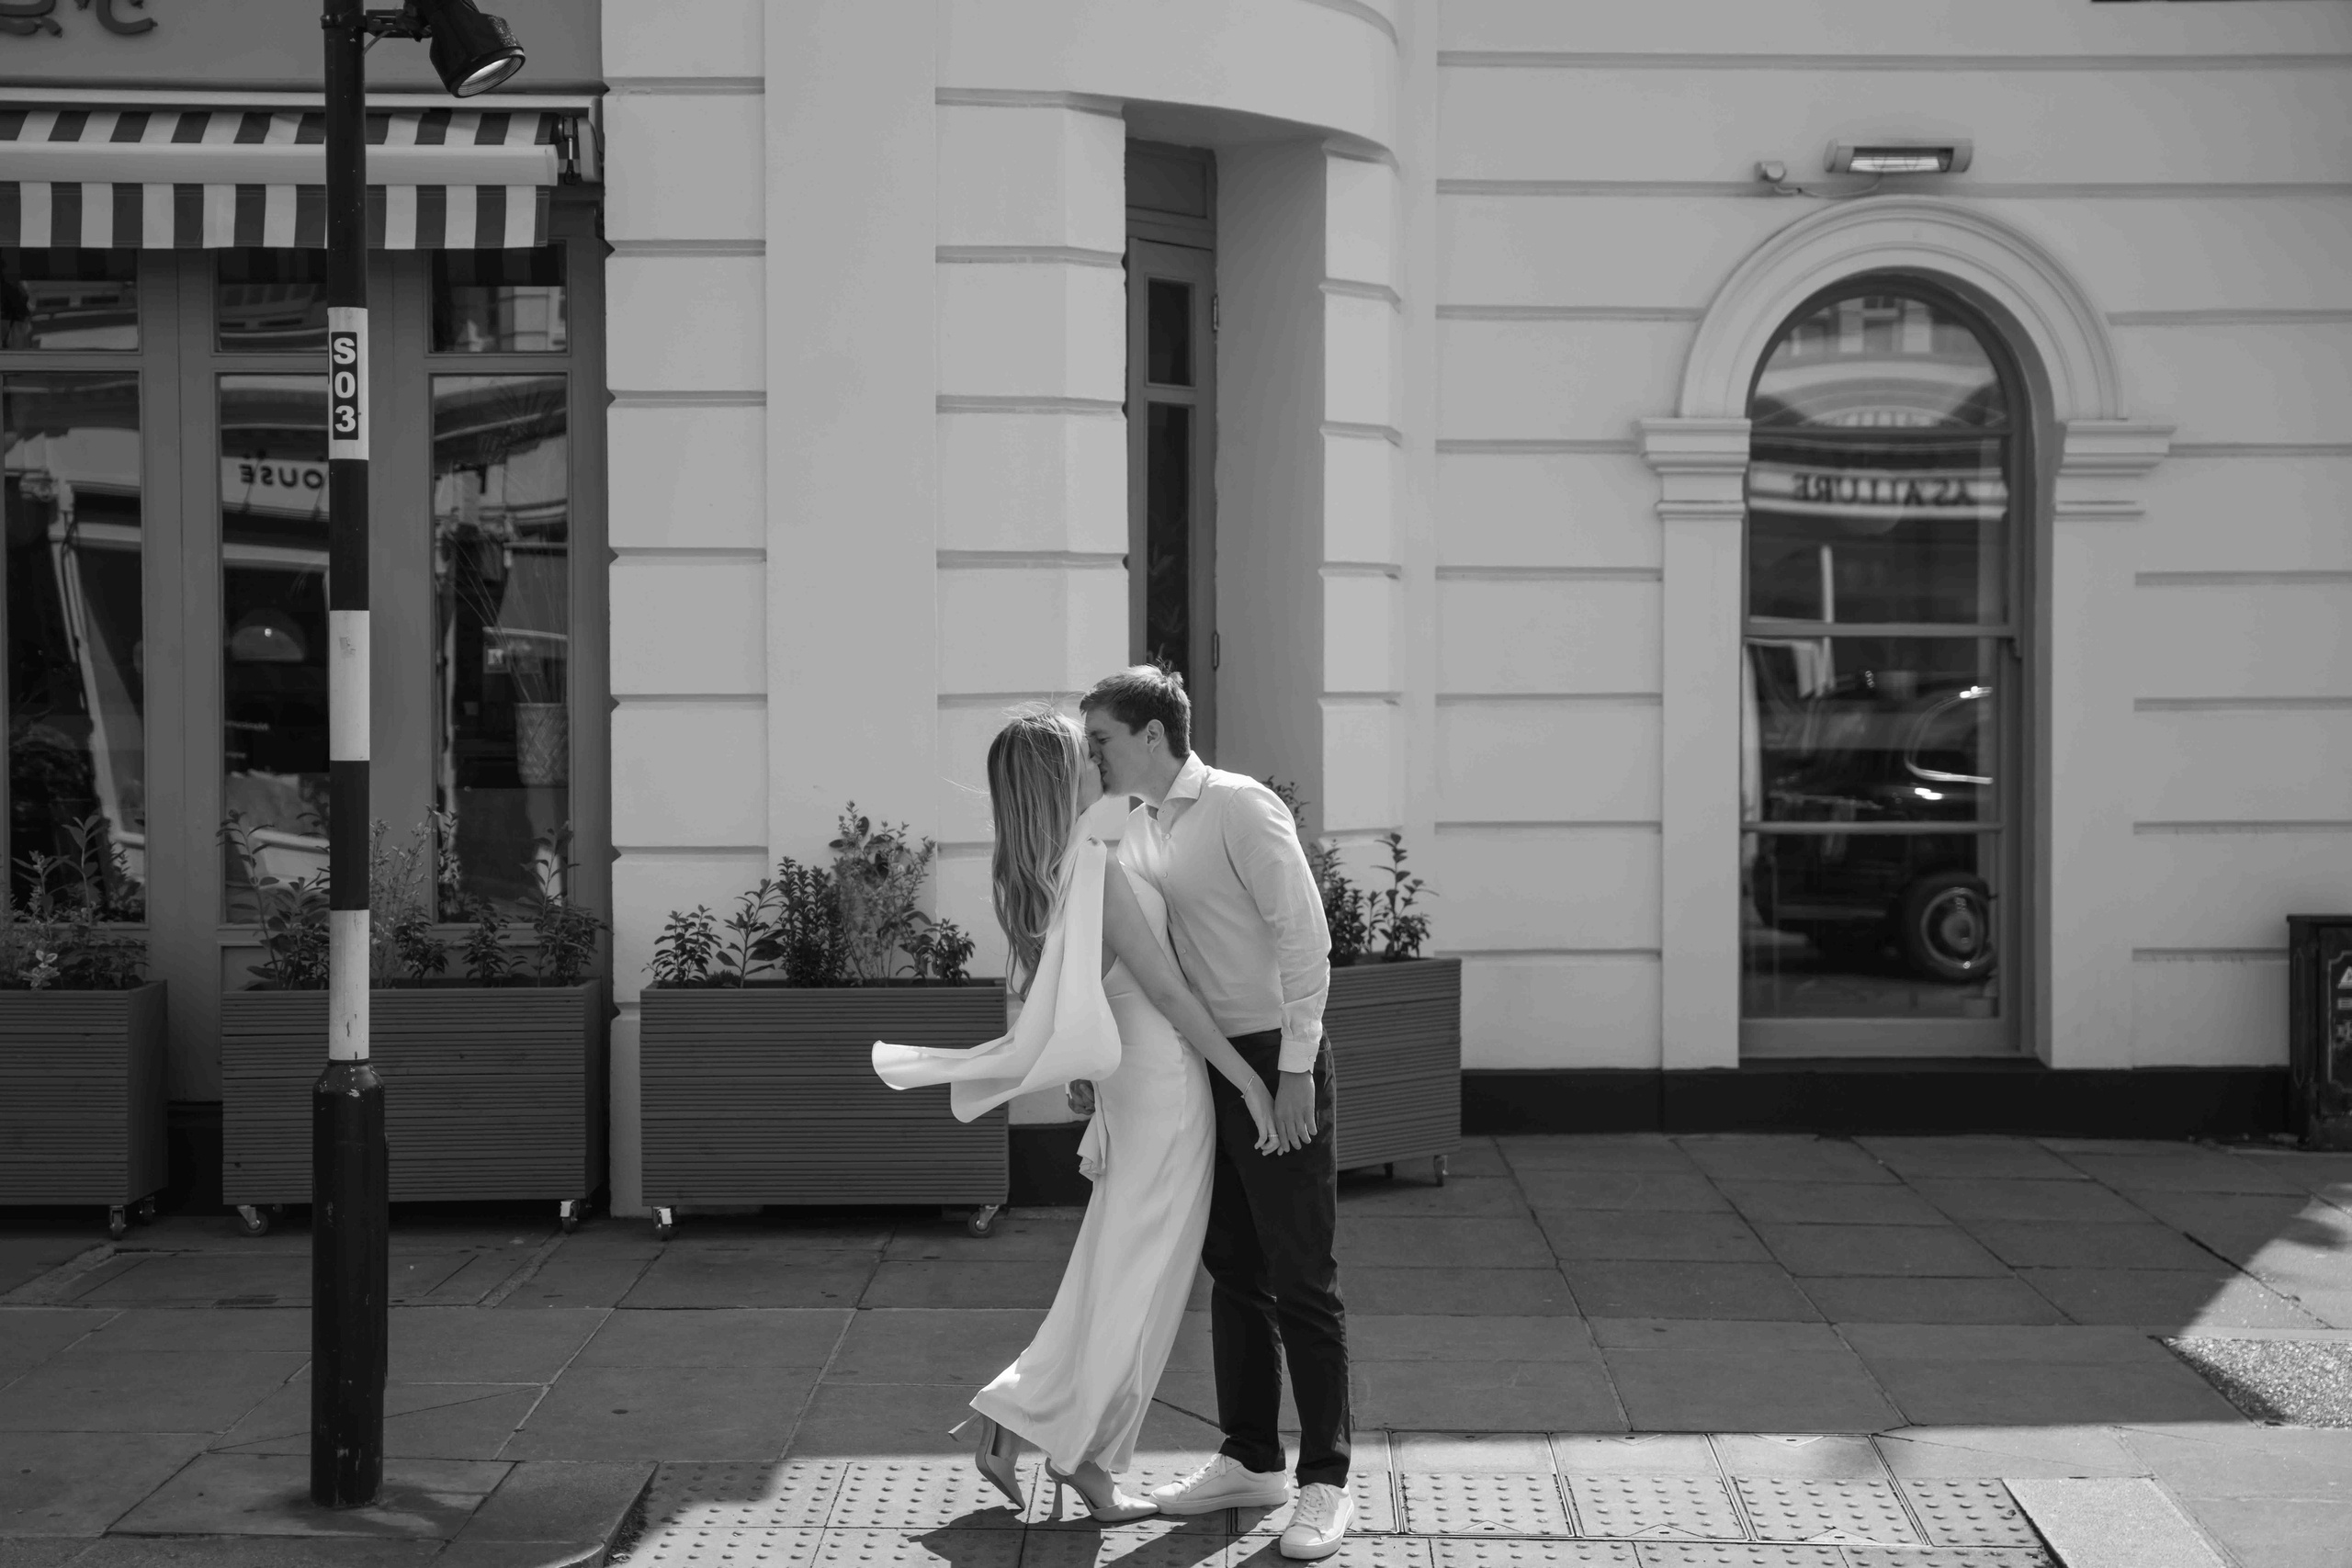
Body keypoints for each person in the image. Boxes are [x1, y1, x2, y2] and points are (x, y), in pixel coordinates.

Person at [870, 705, 1281, 1524]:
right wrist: (1248, 1078)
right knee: (1141, 1284)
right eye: (1087, 754)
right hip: (1165, 1092)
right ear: (1067, 780)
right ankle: (1084, 1457)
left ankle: (1023, 1419)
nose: (1102, 760)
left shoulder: (1062, 868)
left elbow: (1079, 995)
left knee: (1109, 1269)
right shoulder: (1103, 869)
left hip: (1137, 1090)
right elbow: (1166, 992)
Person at [1079, 664, 1354, 1562]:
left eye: (1103, 741)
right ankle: (1249, 1459)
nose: (1094, 756)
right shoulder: (1136, 821)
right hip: (1211, 1068)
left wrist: (1298, 1070)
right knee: (1234, 1269)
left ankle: (1325, 1482)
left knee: (1301, 1276)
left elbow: (1304, 938)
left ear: (1153, 736)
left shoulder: (1240, 807)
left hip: (1276, 1058)